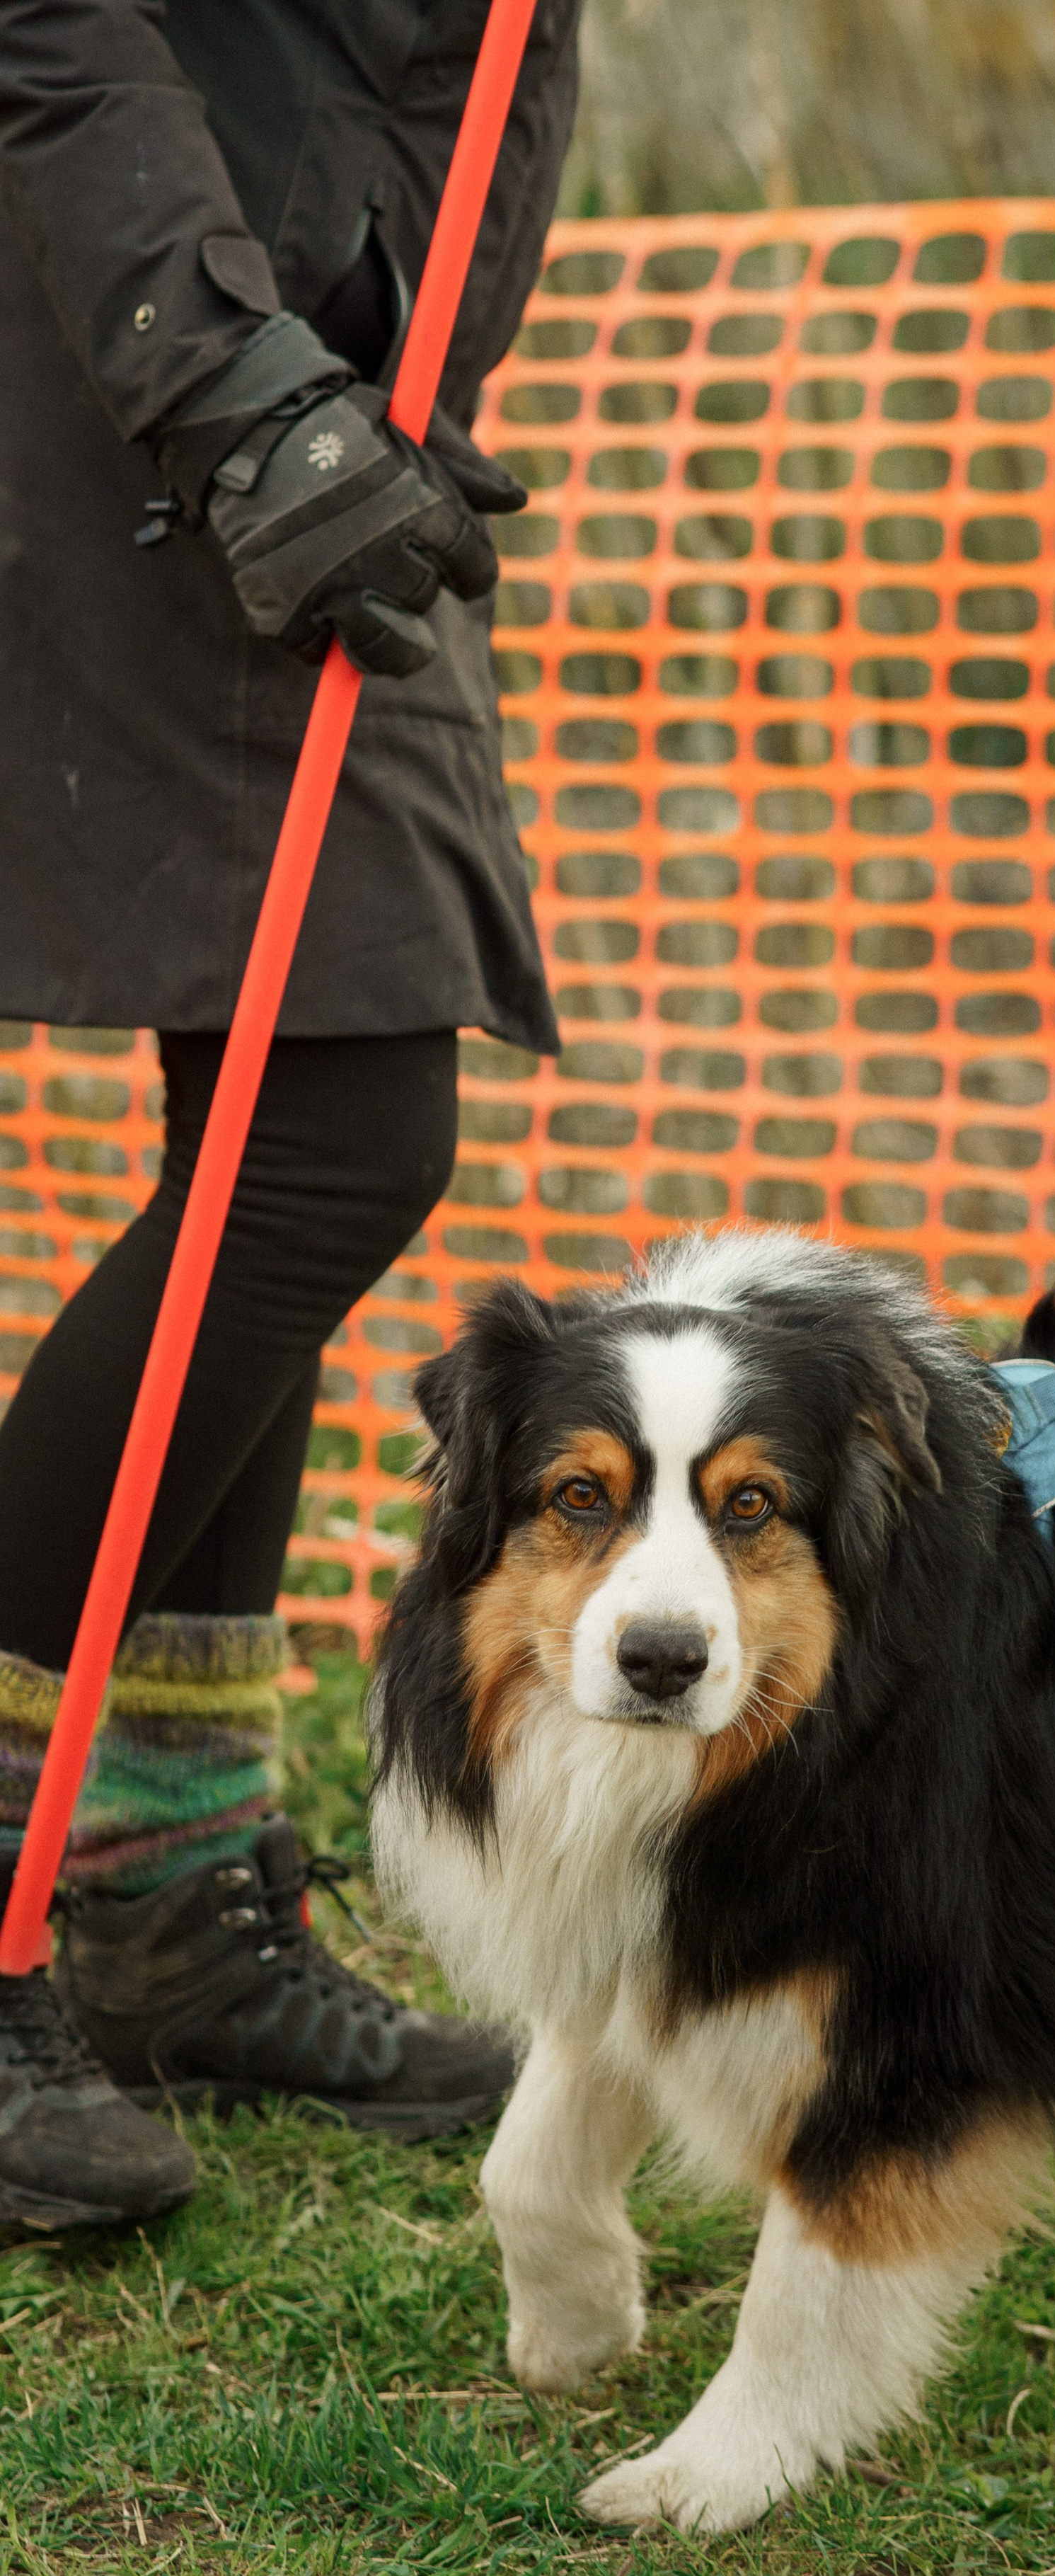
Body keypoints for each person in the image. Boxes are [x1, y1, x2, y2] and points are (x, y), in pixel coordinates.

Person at [0, 0, 583, 2226]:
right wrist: (235, 385)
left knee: (287, 1098)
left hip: (330, 379)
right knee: (340, 1137)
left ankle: (162, 1875)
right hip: (151, 358)